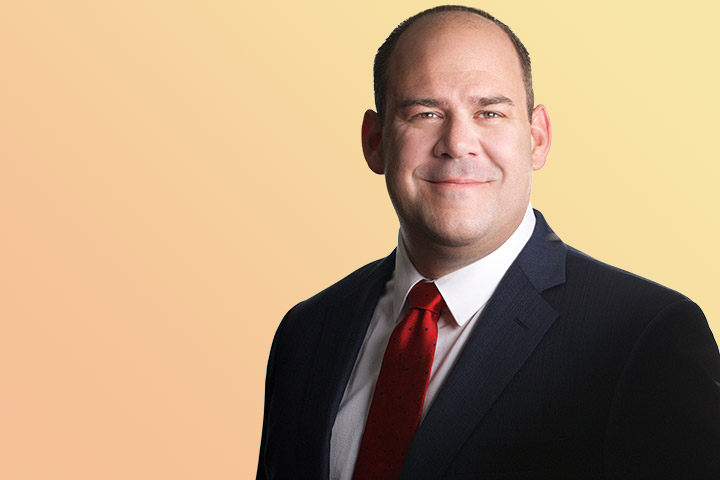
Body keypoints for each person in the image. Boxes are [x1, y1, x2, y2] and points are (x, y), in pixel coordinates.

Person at [256, 5, 720, 479]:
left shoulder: (645, 336)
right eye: (425, 113)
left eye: (490, 112)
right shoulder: (306, 333)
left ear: (537, 138)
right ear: (375, 142)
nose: (458, 143)